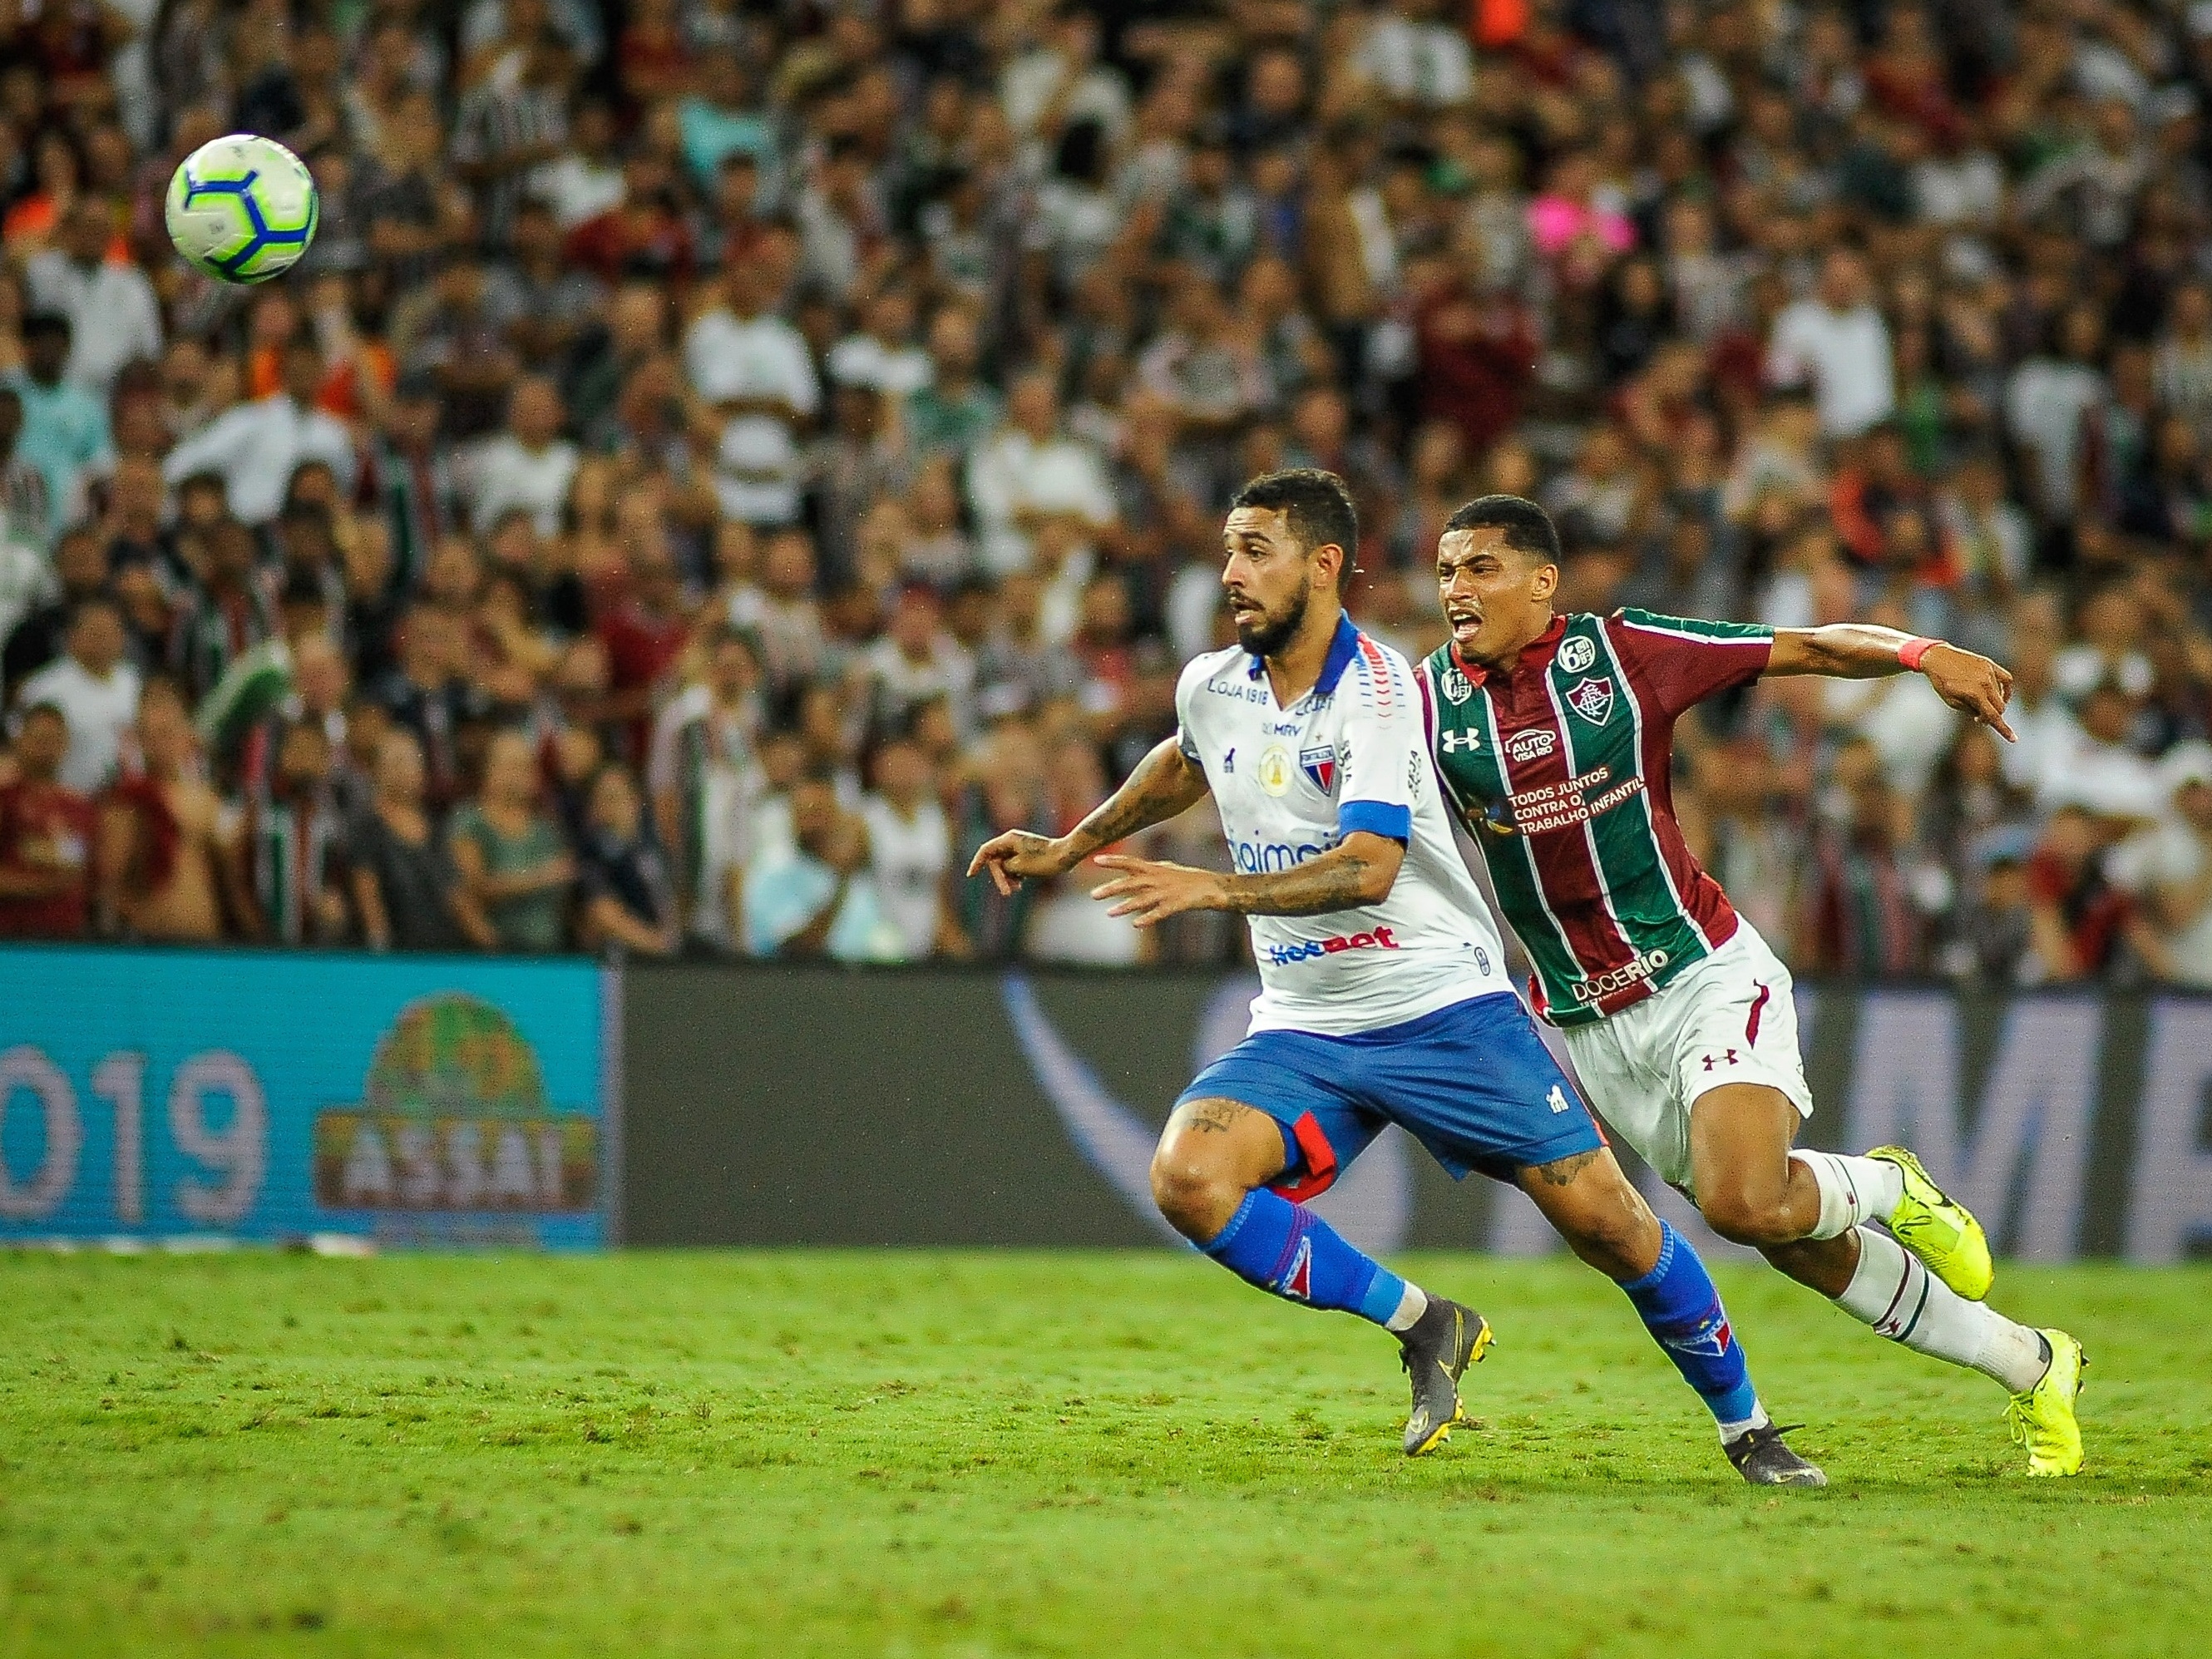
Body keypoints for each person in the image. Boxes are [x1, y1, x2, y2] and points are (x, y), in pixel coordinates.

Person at [970, 469, 1820, 1484]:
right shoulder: (1214, 683)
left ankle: (1748, 1428)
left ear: (1322, 565)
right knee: (1188, 1182)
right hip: (1304, 1026)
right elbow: (1188, 759)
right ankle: (1426, 1326)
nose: (1229, 573)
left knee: (1611, 1228)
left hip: (1441, 1011)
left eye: (1255, 551)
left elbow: (1367, 870)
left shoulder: (1378, 692)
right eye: (1229, 550)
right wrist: (1071, 845)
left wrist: (1212, 889)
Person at [1420, 493, 2085, 1478]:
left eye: (1479, 568)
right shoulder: (1428, 701)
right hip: (1590, 1028)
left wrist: (1918, 654)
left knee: (1739, 1203)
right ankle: (2031, 1364)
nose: (1455, 590)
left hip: (1702, 975)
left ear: (1540, 581)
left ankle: (1889, 1183)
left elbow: (1806, 647)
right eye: (1443, 572)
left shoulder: (1619, 653)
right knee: (1782, 1229)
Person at [448, 727, 575, 952]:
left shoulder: (546, 829)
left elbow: (563, 891)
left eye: (528, 766)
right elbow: (471, 889)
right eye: (514, 766)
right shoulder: (471, 822)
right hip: (498, 956)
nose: (524, 774)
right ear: (491, 771)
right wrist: (538, 878)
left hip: (549, 954)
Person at [0, 701, 94, 938]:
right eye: (39, 739)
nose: (46, 748)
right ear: (21, 741)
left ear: (65, 745)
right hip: (14, 939)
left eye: (53, 740)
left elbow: (89, 874)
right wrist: (46, 885)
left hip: (69, 939)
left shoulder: (80, 807)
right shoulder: (7, 800)